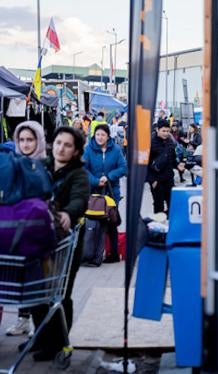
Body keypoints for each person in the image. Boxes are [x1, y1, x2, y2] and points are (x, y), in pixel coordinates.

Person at [26, 126, 90, 361]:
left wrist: (68, 214)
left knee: (60, 293)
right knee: (36, 291)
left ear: (75, 151)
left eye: (68, 145)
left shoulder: (79, 174)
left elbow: (80, 199)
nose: (61, 148)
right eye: (59, 143)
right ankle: (40, 338)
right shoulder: (41, 166)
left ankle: (58, 343)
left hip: (65, 242)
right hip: (38, 238)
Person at [5, 121, 47, 337]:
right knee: (15, 276)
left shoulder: (45, 165)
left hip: (35, 232)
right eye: (21, 140)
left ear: (38, 140)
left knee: (34, 277)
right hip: (15, 230)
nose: (25, 144)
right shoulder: (11, 163)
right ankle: (23, 319)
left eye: (30, 139)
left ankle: (34, 320)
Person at [83, 124, 127, 263]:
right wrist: (96, 181)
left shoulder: (116, 150)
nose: (100, 137)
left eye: (103, 135)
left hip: (111, 191)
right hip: (93, 191)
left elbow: (123, 167)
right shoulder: (88, 149)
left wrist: (109, 177)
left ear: (108, 136)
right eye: (97, 135)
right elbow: (83, 169)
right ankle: (91, 253)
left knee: (111, 220)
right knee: (93, 221)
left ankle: (113, 253)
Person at [147, 120, 180, 214]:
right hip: (157, 181)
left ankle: (171, 226)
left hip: (169, 179)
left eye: (167, 131)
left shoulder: (170, 142)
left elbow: (172, 159)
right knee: (158, 206)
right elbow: (146, 165)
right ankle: (159, 226)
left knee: (172, 204)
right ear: (157, 129)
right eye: (163, 131)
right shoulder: (150, 143)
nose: (166, 133)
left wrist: (178, 165)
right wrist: (152, 180)